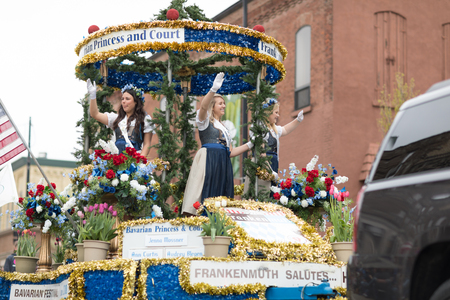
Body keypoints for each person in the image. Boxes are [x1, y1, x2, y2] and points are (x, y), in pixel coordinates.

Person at [182, 73, 253, 215]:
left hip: (223, 162)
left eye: (224, 103)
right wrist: (213, 89)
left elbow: (231, 152)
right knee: (206, 192)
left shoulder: (225, 128)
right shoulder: (205, 121)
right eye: (220, 103)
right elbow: (203, 107)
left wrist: (251, 144)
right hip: (209, 160)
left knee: (222, 197)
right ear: (212, 106)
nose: (224, 105)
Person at [87, 80, 155, 156]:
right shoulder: (116, 119)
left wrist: (139, 162)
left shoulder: (145, 119)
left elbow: (147, 144)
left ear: (136, 101)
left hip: (134, 161)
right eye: (122, 99)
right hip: (117, 161)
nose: (123, 101)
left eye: (127, 99)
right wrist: (93, 96)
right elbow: (95, 114)